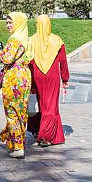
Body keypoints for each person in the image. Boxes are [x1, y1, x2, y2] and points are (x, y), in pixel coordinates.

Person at [26, 14, 69, 147]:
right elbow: (63, 61)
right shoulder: (57, 40)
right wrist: (65, 79)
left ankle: (37, 129)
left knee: (40, 104)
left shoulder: (31, 40)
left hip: (37, 76)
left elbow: (29, 61)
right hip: (52, 76)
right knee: (50, 105)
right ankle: (46, 136)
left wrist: (30, 81)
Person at [0, 12, 31, 158]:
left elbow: (7, 58)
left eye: (11, 22)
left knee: (12, 111)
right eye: (7, 23)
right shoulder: (25, 38)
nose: (8, 25)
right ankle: (16, 142)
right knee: (21, 111)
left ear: (18, 23)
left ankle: (18, 147)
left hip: (13, 79)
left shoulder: (15, 39)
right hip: (24, 77)